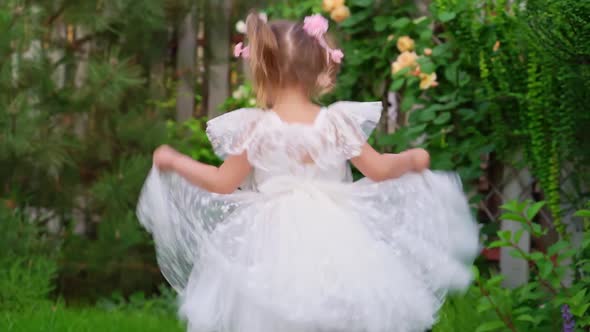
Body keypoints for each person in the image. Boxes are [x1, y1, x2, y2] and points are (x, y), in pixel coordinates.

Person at [137, 12, 480, 332]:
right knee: (337, 310)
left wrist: (175, 161)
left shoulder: (257, 129)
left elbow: (222, 182)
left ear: (262, 70)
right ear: (320, 67)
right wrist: (409, 159)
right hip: (338, 235)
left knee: (273, 313)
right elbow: (378, 169)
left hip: (270, 241)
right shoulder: (336, 123)